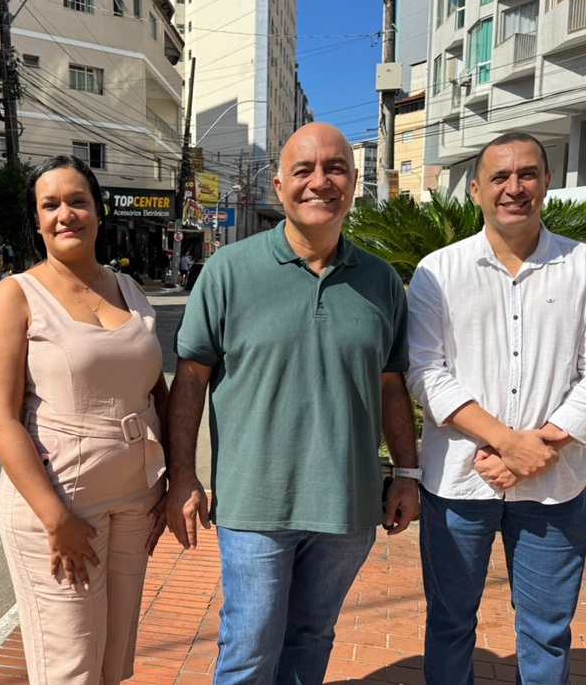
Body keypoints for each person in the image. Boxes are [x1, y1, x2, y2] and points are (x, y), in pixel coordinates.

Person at [165, 122, 420, 683]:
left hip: (348, 507)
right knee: (249, 646)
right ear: (279, 187)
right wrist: (181, 474)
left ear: (353, 183)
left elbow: (391, 384)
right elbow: (190, 380)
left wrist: (407, 473)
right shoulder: (228, 271)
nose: (320, 182)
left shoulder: (381, 282)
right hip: (254, 506)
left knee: (312, 637)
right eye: (303, 170)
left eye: (335, 169)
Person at [404, 132, 586, 685]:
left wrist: (538, 450)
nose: (514, 187)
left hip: (555, 486)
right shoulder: (438, 270)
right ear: (476, 190)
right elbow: (424, 370)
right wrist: (510, 444)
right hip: (458, 485)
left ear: (547, 182)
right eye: (499, 177)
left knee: (547, 630)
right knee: (450, 623)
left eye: (527, 174)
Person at [0, 155, 169, 684]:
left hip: (136, 500)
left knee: (113, 659)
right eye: (51, 205)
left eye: (77, 201)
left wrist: (174, 478)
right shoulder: (17, 294)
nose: (66, 214)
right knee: (70, 667)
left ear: (98, 213)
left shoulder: (129, 288)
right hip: (61, 503)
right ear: (38, 220)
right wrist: (55, 519)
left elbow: (155, 388)